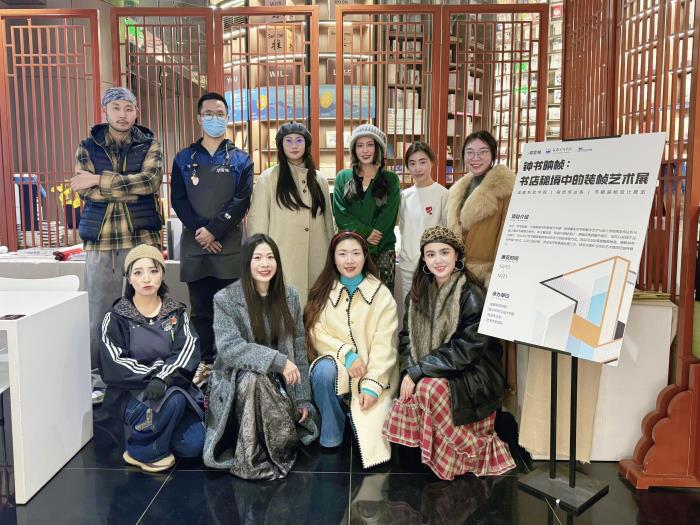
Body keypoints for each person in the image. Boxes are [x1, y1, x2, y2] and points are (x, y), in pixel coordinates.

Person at [382, 226, 515, 480]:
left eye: (445, 252)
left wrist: (420, 370)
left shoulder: (472, 294)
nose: (438, 260)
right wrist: (410, 370)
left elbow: (466, 349)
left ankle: (467, 455)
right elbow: (406, 338)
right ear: (424, 259)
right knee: (415, 385)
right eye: (431, 254)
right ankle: (430, 453)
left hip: (474, 371)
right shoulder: (418, 294)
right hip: (438, 366)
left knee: (428, 388)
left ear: (457, 256)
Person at [72, 86, 163, 405]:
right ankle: (98, 377)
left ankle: (143, 373)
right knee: (99, 313)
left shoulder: (149, 144)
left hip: (142, 241)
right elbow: (83, 190)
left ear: (137, 111)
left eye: (129, 108)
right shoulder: (88, 146)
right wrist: (126, 187)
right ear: (105, 112)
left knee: (146, 309)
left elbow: (150, 182)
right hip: (101, 241)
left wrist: (99, 179)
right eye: (116, 108)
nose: (123, 115)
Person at [203, 234, 317, 480]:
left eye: (270, 257)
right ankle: (252, 461)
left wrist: (303, 398)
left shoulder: (290, 297)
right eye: (257, 258)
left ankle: (274, 449)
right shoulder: (225, 299)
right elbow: (230, 348)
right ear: (246, 263)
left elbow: (298, 348)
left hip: (281, 382)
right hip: (238, 382)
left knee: (264, 381)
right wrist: (277, 361)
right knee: (255, 379)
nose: (265, 264)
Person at [171, 92, 254, 387]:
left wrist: (215, 231)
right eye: (209, 113)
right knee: (201, 310)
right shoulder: (184, 158)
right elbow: (178, 200)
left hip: (228, 246)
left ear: (227, 118)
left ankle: (231, 363)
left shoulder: (241, 159)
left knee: (232, 309)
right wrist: (202, 232)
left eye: (220, 113)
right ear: (199, 118)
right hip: (196, 247)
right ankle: (207, 361)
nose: (214, 118)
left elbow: (242, 201)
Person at [99, 244, 204, 473]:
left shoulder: (177, 313)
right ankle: (141, 450)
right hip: (133, 395)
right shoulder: (116, 317)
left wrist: (163, 378)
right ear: (129, 278)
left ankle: (158, 433)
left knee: (194, 445)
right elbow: (114, 362)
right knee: (174, 399)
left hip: (169, 386)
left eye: (153, 271)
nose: (146, 278)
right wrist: (155, 377)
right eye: (138, 272)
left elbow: (187, 352)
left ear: (162, 274)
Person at [304, 231, 399, 469]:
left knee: (370, 443)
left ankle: (353, 415)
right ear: (333, 257)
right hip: (338, 368)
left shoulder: (381, 295)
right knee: (323, 372)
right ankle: (332, 430)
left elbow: (385, 347)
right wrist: (346, 355)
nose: (349, 260)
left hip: (372, 373)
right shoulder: (323, 290)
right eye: (342, 254)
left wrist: (371, 385)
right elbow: (315, 332)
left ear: (365, 257)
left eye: (356, 253)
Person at [247, 122, 335, 305]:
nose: (294, 145)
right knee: (284, 313)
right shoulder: (268, 178)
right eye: (288, 141)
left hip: (317, 260)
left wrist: (331, 258)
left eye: (299, 140)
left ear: (306, 144)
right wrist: (261, 260)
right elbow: (257, 225)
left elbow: (328, 223)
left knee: (315, 313)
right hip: (283, 260)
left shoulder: (319, 179)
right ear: (281, 145)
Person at [332, 125, 401, 292]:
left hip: (382, 249)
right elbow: (340, 214)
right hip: (350, 250)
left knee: (382, 298)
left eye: (370, 144)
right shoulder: (343, 177)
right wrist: (366, 233)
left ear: (378, 148)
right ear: (354, 150)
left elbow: (388, 216)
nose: (365, 150)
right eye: (359, 145)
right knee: (351, 297)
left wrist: (371, 238)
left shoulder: (391, 179)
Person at [445, 130, 515, 286]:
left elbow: (506, 238)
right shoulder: (458, 189)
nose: (475, 158)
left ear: (493, 154)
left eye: (482, 152)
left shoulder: (505, 189)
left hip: (485, 277)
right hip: (455, 273)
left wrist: (497, 277)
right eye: (470, 152)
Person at [397, 142, 448, 302]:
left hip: (434, 266)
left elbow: (448, 232)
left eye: (422, 162)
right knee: (409, 309)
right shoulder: (404, 196)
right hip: (407, 265)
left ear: (432, 162)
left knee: (434, 309)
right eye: (412, 163)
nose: (417, 168)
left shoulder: (443, 194)